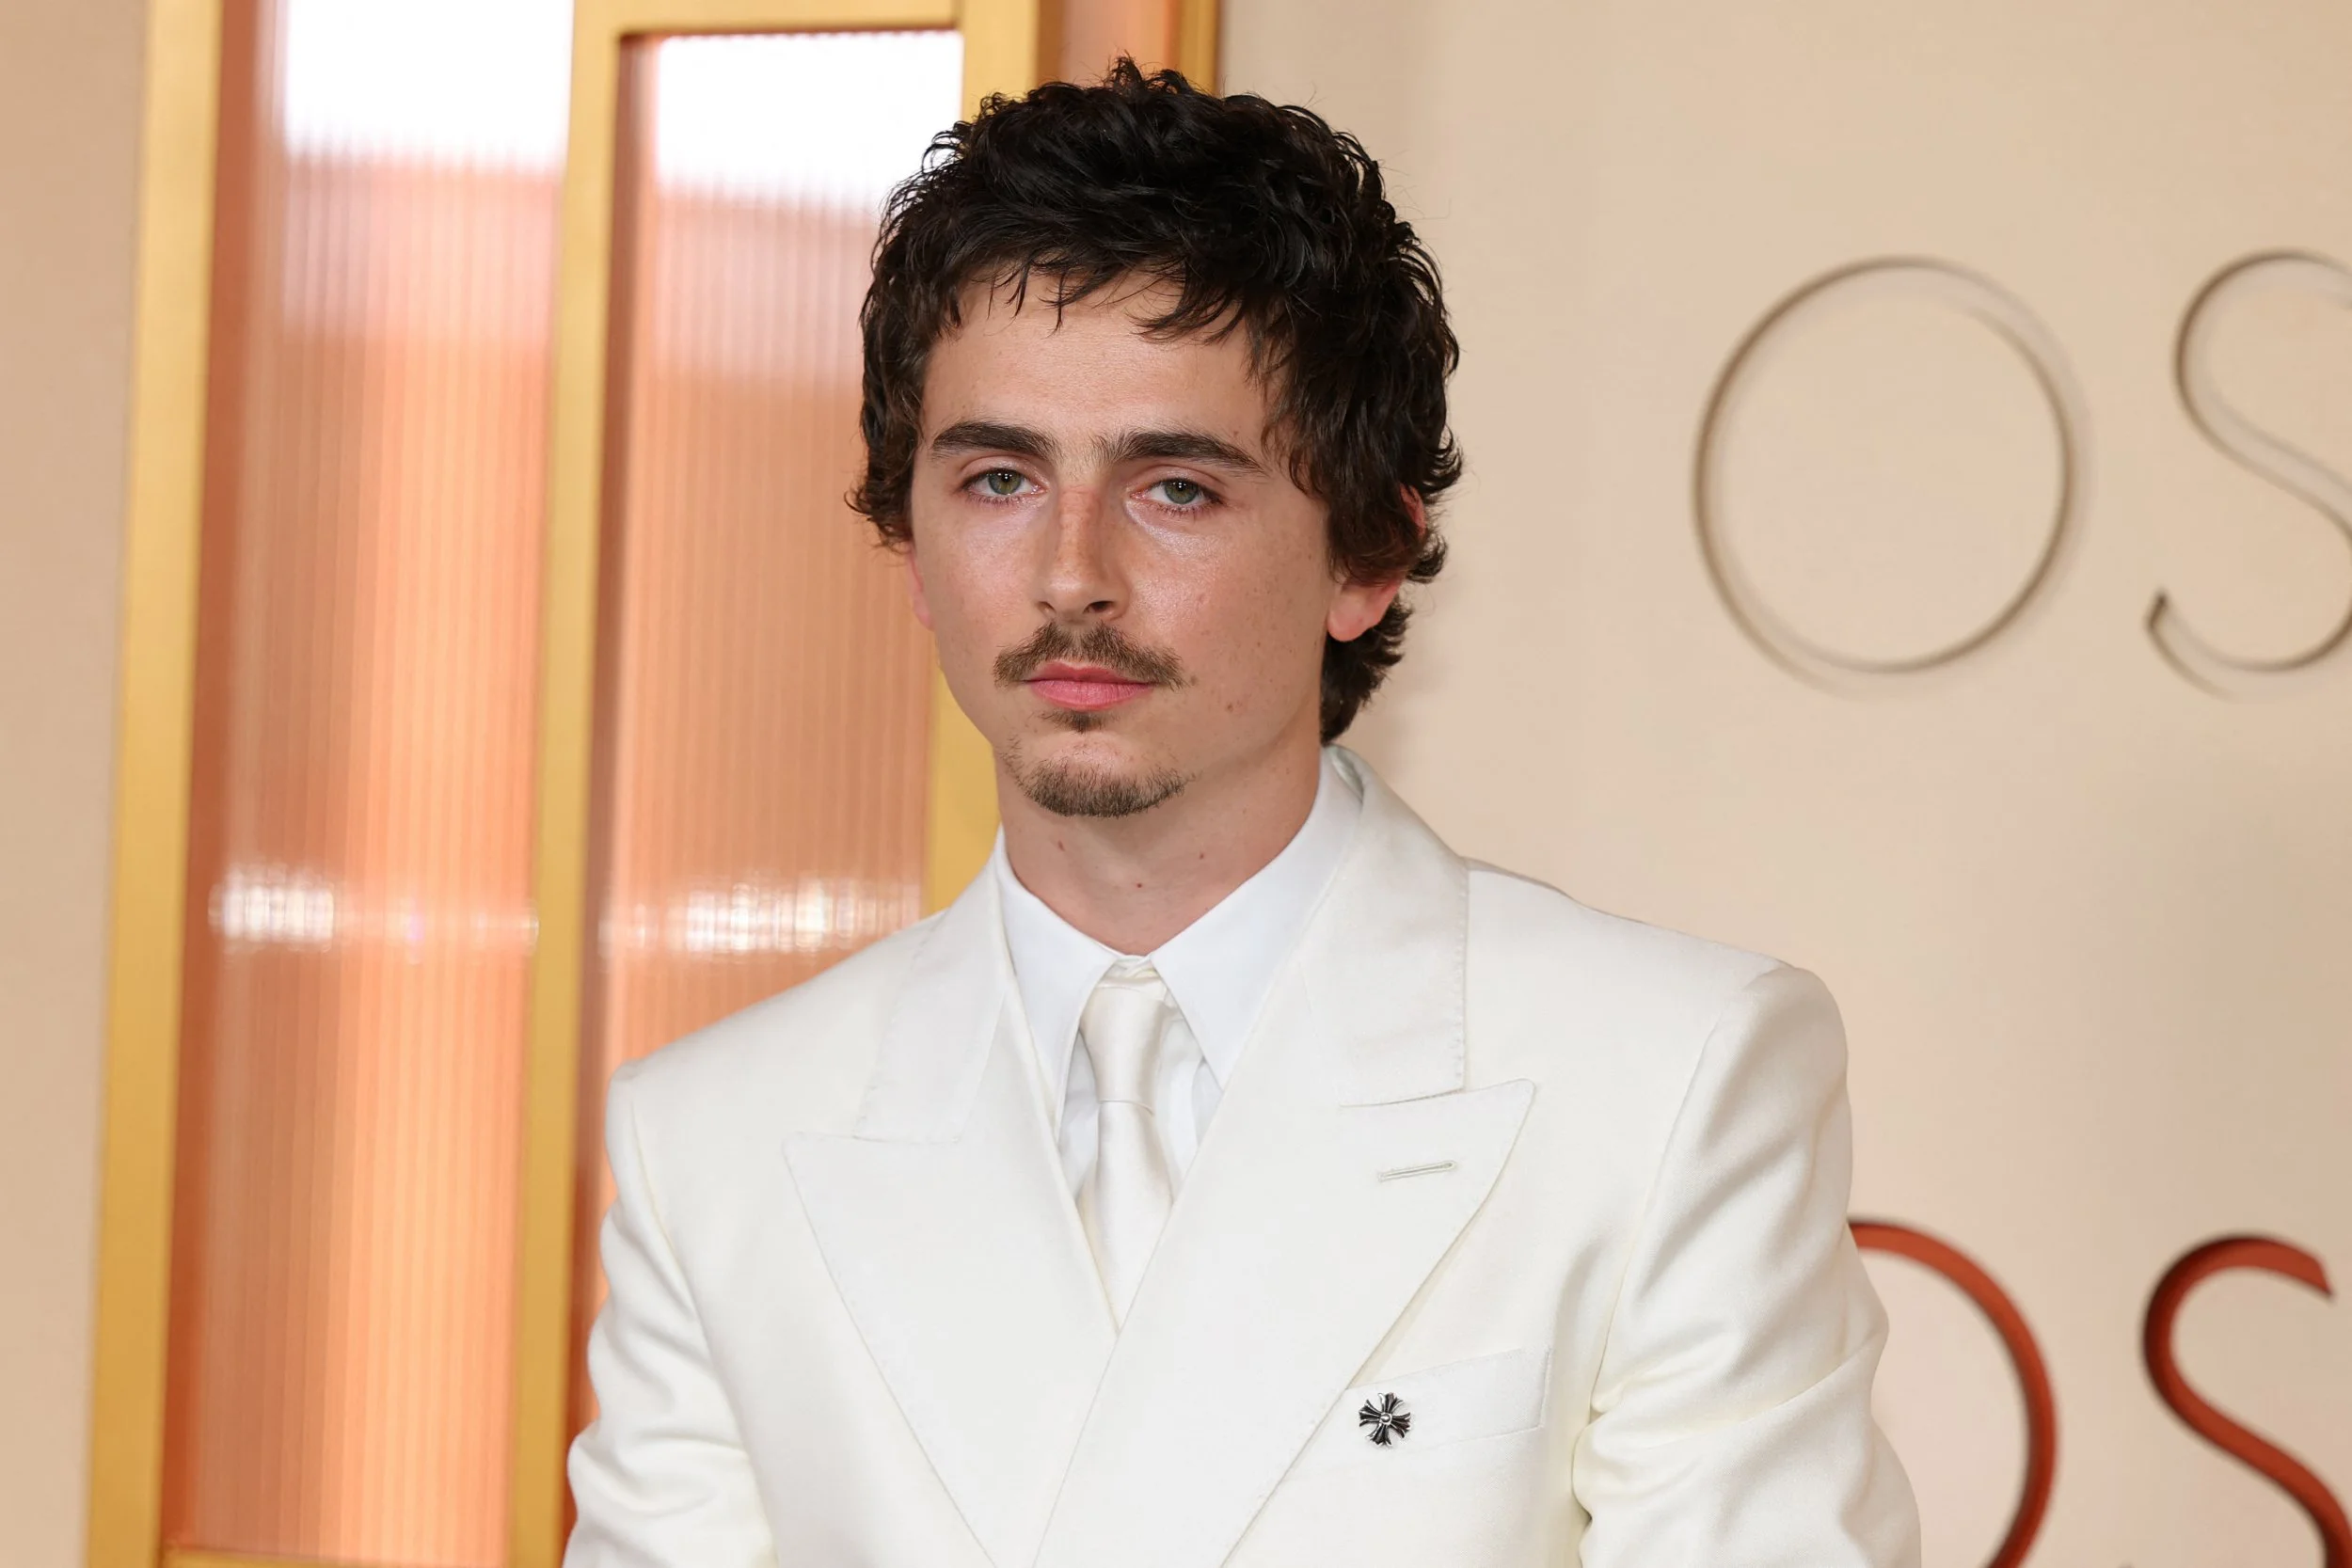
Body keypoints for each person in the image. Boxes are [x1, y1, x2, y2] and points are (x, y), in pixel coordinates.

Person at [565, 62, 1920, 1568]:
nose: (1072, 573)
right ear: (910, 540)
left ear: (1370, 554)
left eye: (1177, 490)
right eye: (1001, 477)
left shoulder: (1669, 1076)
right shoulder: (717, 1142)